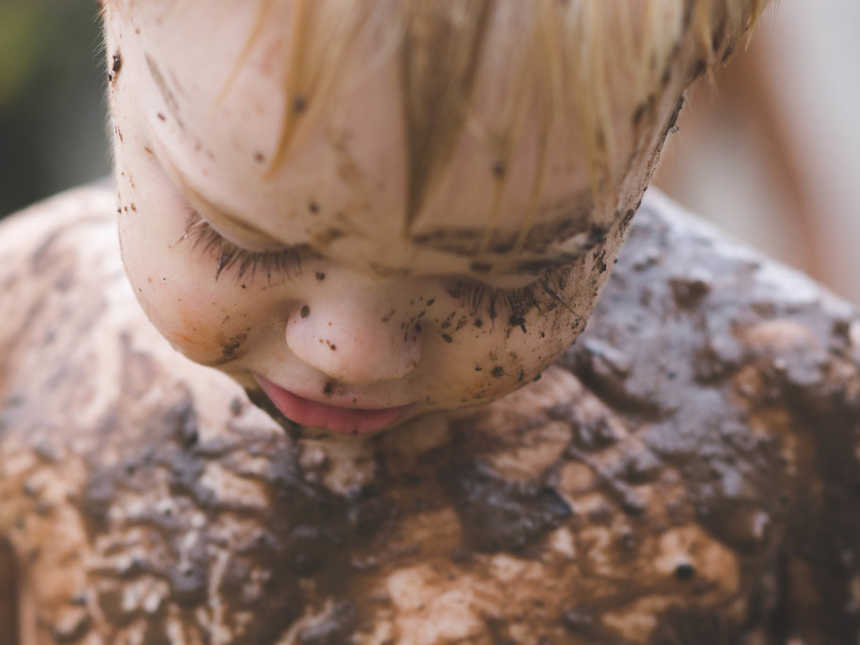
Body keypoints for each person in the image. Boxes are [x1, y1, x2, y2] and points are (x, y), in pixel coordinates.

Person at [2, 1, 858, 643]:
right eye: (242, 241)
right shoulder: (20, 347)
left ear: (674, 109)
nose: (353, 352)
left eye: (509, 276)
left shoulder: (795, 427)